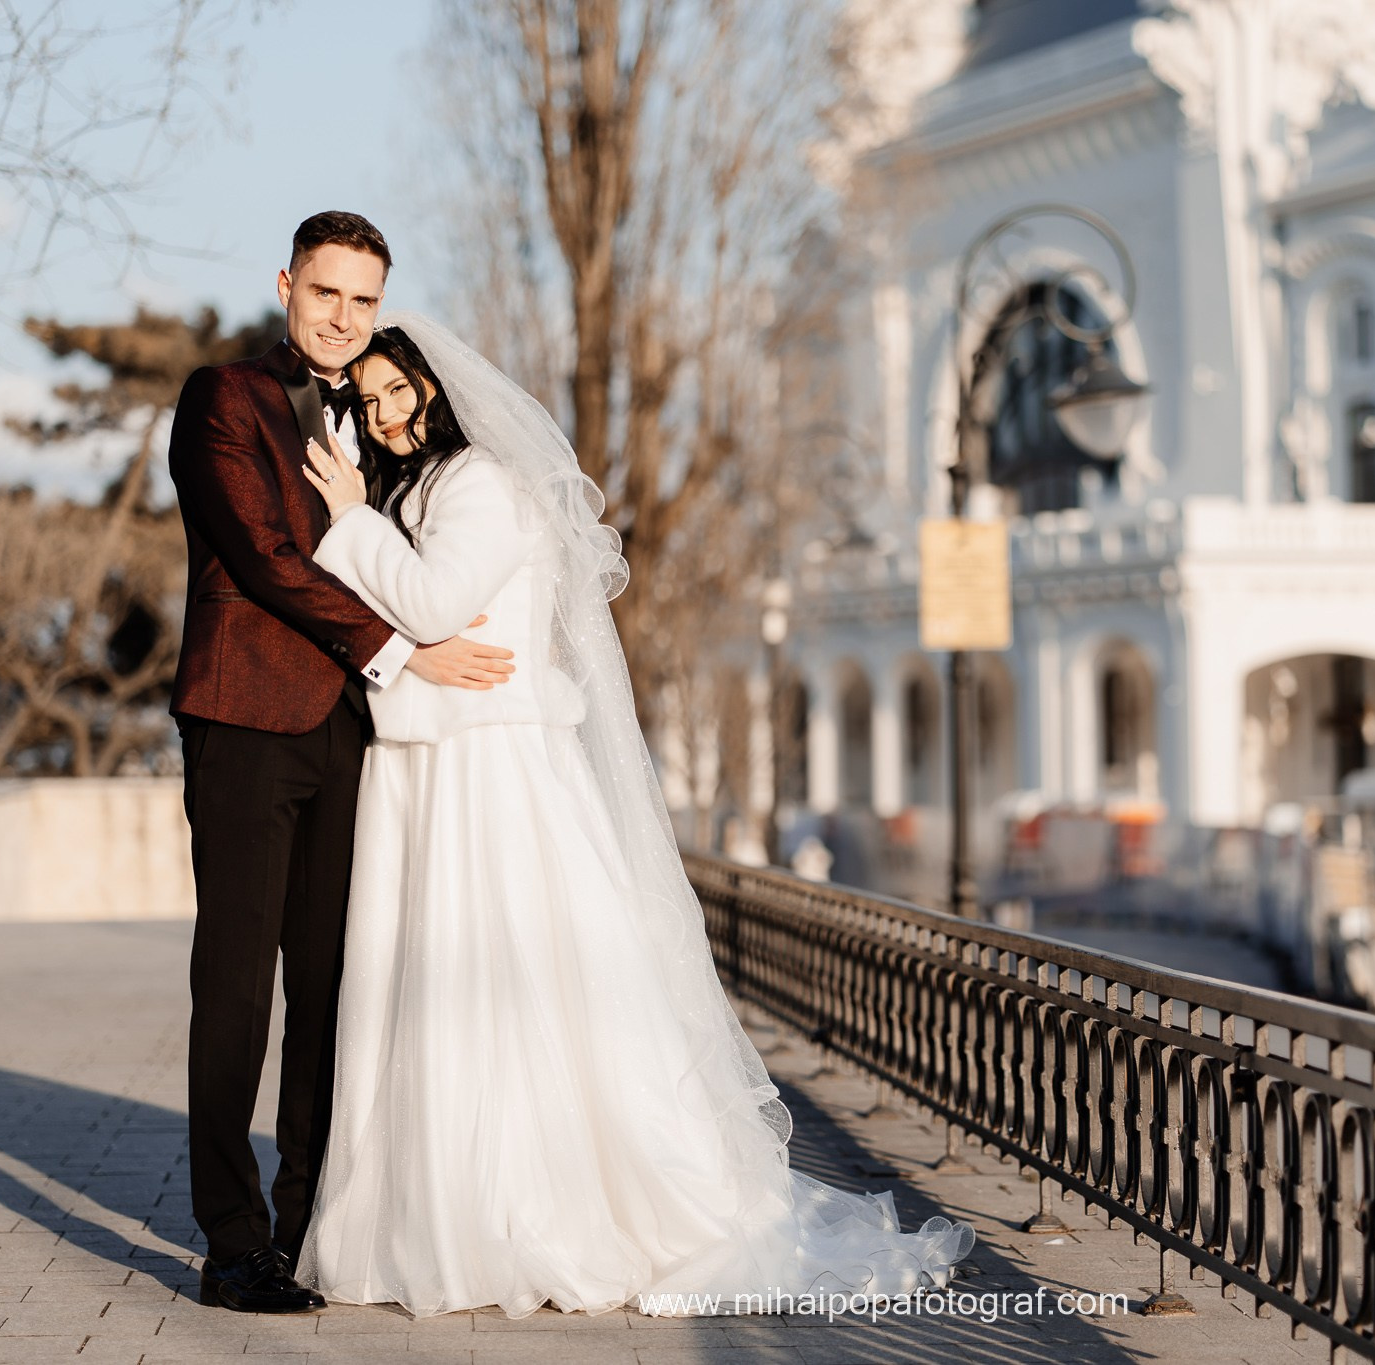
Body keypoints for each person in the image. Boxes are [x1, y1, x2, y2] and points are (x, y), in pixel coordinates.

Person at [292, 313, 974, 1318]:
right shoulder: (426, 488)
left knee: (500, 985)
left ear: (441, 390)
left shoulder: (481, 483)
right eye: (373, 401)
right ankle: (444, 1212)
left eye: (402, 394)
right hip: (438, 765)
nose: (388, 416)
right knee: (437, 990)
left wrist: (350, 520)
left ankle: (518, 1214)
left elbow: (433, 603)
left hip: (488, 775)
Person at [166, 214, 516, 1315]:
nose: (343, 319)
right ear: (286, 285)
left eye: (363, 301)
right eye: (326, 294)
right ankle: (232, 1243)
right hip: (246, 720)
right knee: (234, 989)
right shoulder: (224, 398)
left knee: (330, 987)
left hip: (352, 732)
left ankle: (307, 1223)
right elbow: (265, 556)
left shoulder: (374, 416)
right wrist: (405, 650)